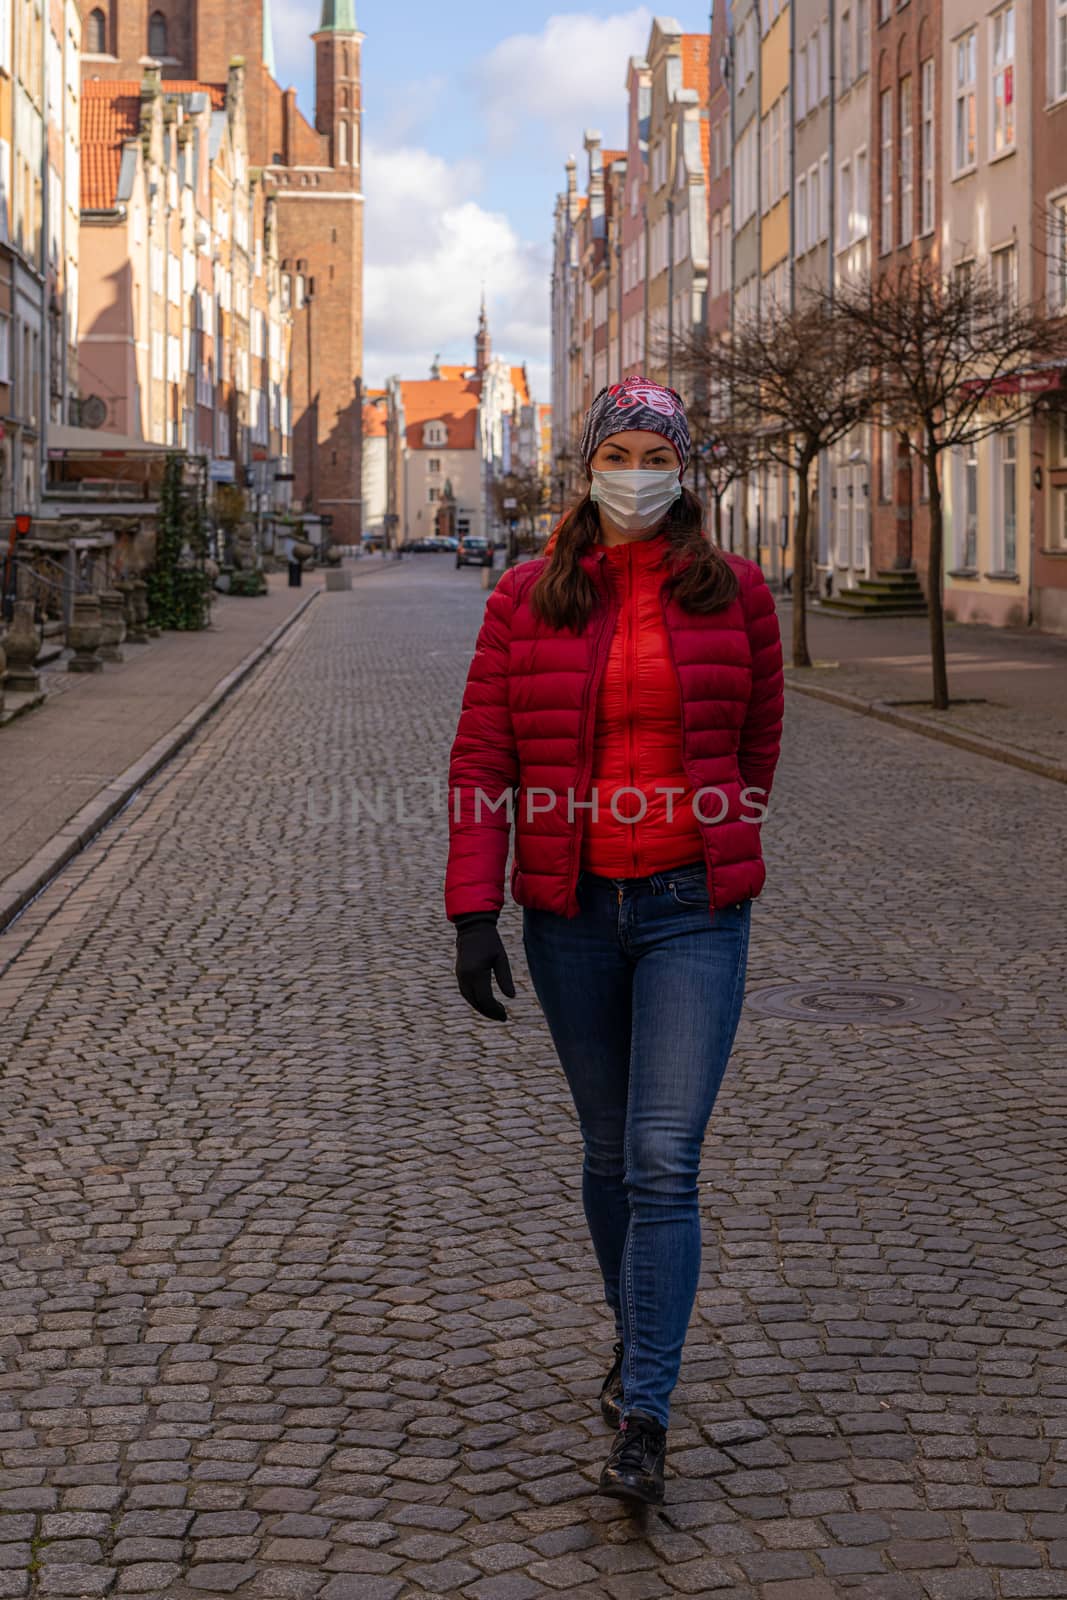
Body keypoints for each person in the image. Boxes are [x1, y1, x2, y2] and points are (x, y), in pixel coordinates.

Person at [444, 376, 784, 1507]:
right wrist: (468, 909)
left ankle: (644, 1406)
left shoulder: (735, 593)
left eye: (653, 451)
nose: (634, 470)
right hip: (570, 911)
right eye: (616, 451)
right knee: (604, 1156)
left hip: (693, 909)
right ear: (585, 467)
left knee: (661, 1159)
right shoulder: (523, 599)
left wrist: (720, 838)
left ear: (681, 468)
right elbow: (482, 760)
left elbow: (756, 738)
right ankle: (633, 1341)